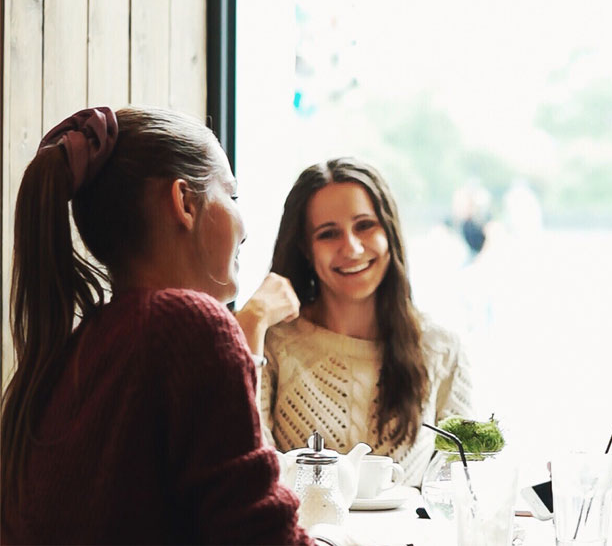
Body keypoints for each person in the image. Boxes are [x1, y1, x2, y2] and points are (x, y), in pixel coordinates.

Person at [0, 107, 313, 544]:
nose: (245, 229)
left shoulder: (77, 351)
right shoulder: (189, 328)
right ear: (185, 202)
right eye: (233, 197)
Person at [260, 158, 474, 486]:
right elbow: (249, 465)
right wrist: (252, 319)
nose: (353, 247)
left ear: (389, 230)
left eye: (365, 225)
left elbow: (464, 478)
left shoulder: (442, 348)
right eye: (328, 233)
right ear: (305, 247)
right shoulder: (272, 342)